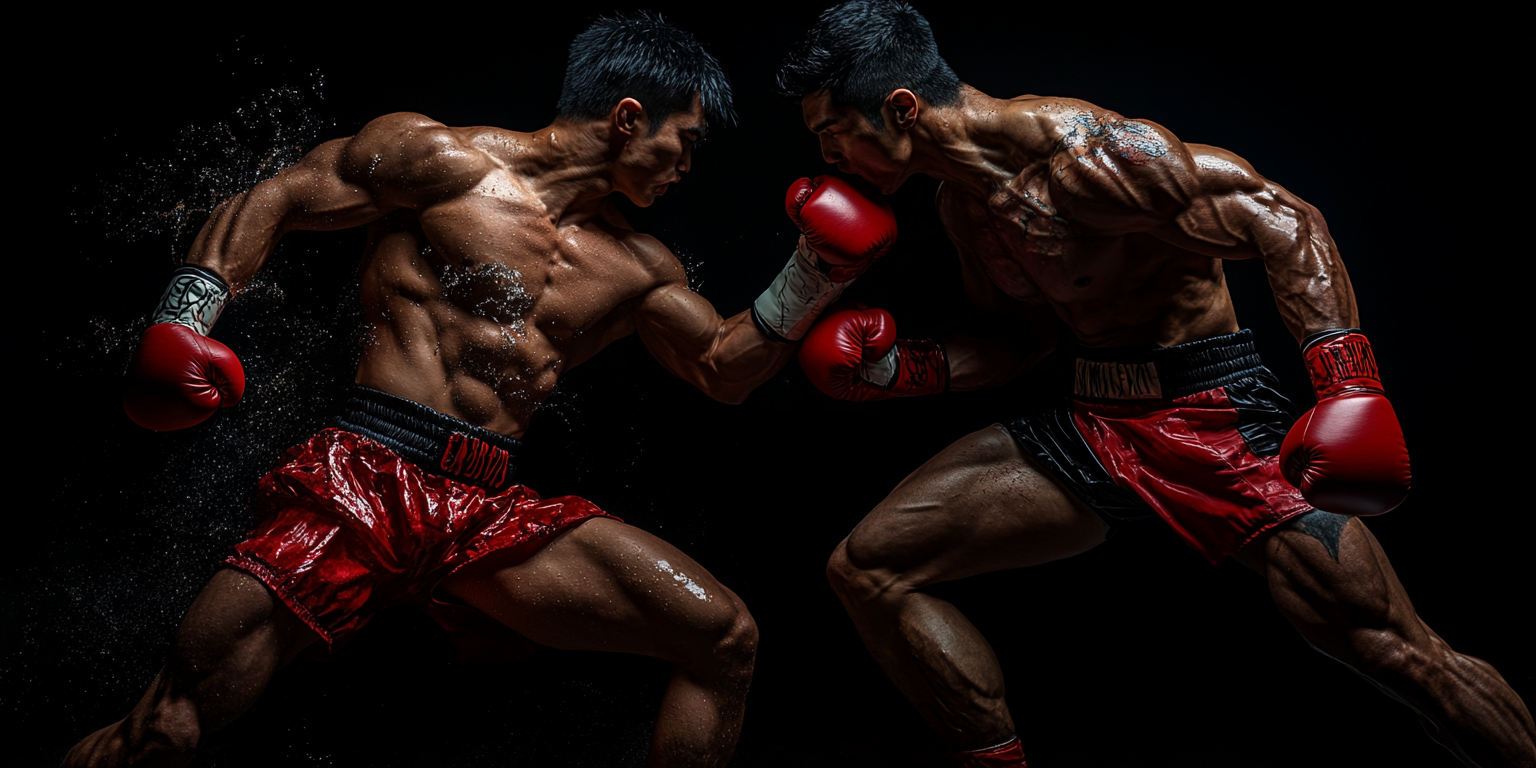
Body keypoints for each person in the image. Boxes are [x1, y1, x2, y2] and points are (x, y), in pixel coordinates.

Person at [64, 14, 897, 768]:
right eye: (686, 139)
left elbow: (722, 366)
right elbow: (276, 197)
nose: (688, 165)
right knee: (168, 731)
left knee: (725, 638)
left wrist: (814, 276)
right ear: (629, 116)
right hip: (367, 473)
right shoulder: (444, 163)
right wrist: (184, 319)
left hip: (487, 510)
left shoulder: (640, 266)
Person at [778, 2, 1536, 767]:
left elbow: (1282, 220)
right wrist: (894, 369)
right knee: (869, 569)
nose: (828, 155)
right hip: (1097, 421)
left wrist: (1348, 385)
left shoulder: (1084, 156)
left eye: (831, 130)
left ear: (901, 108)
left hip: (1216, 416)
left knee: (1396, 653)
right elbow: (1018, 340)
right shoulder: (963, 208)